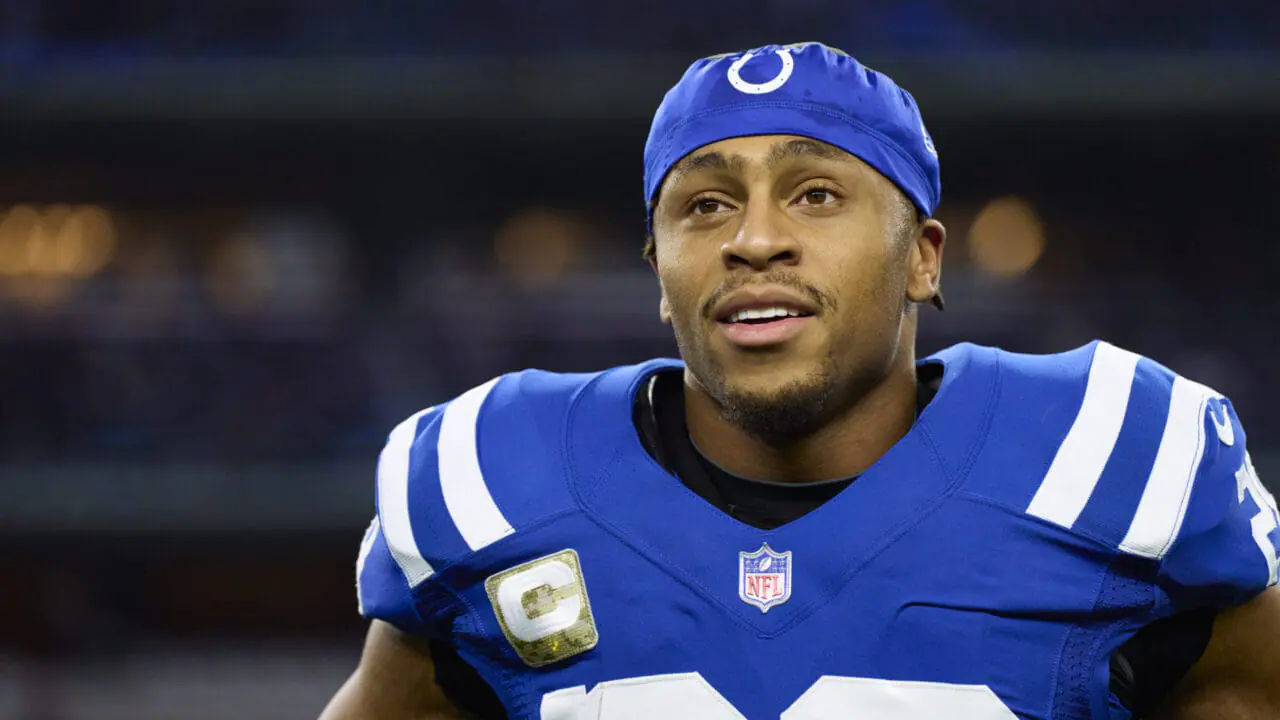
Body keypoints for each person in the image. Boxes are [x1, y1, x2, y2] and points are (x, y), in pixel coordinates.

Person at [321, 43, 1280, 719]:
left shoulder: (1112, 457)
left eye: (817, 193)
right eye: (705, 204)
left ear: (923, 260)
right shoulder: (489, 481)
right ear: (658, 272)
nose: (754, 239)